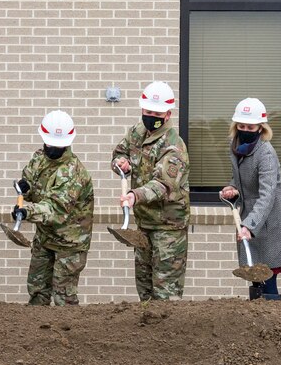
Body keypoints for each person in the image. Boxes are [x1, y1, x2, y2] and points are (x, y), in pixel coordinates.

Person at [112, 81, 190, 300]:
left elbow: (163, 185)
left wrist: (134, 195)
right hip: (144, 223)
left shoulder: (174, 146)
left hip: (168, 228)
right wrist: (121, 162)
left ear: (167, 114)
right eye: (148, 111)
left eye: (157, 113)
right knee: (144, 287)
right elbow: (120, 152)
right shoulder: (137, 133)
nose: (151, 116)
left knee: (165, 293)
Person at [218, 98, 281, 300]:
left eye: (250, 126)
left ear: (260, 128)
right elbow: (240, 177)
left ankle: (273, 321)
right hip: (251, 216)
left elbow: (267, 194)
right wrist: (232, 187)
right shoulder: (235, 147)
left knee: (267, 275)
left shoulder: (266, 153)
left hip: (272, 220)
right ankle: (257, 316)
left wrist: (249, 226)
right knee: (255, 274)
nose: (245, 129)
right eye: (241, 125)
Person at [12, 110, 95, 306]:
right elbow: (32, 181)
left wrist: (27, 212)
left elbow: (56, 210)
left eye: (58, 144)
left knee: (63, 298)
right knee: (37, 290)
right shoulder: (39, 158)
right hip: (45, 237)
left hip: (70, 244)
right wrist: (26, 187)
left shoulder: (73, 172)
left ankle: (68, 335)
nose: (53, 148)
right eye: (50, 143)